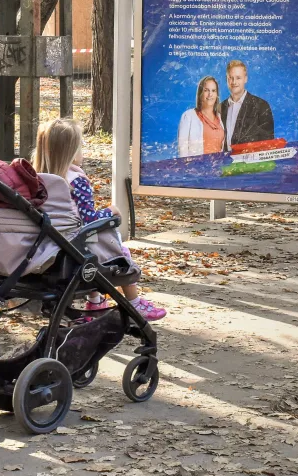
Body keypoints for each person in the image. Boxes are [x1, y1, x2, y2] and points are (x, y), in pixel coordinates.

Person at [33, 118, 167, 321]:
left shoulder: (36, 179)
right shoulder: (76, 181)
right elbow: (89, 220)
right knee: (120, 252)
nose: (82, 152)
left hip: (47, 249)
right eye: (80, 147)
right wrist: (111, 212)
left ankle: (96, 301)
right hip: (75, 251)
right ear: (70, 152)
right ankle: (134, 303)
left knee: (88, 251)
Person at [218, 60, 275, 148]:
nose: (234, 82)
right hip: (225, 161)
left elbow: (268, 143)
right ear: (226, 79)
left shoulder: (261, 106)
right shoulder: (220, 107)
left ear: (245, 79)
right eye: (230, 77)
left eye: (238, 78)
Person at [177, 76, 226, 157]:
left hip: (218, 168)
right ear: (200, 93)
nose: (210, 94)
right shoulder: (188, 117)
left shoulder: (220, 118)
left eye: (213, 91)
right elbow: (183, 151)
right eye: (206, 90)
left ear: (217, 95)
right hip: (197, 167)